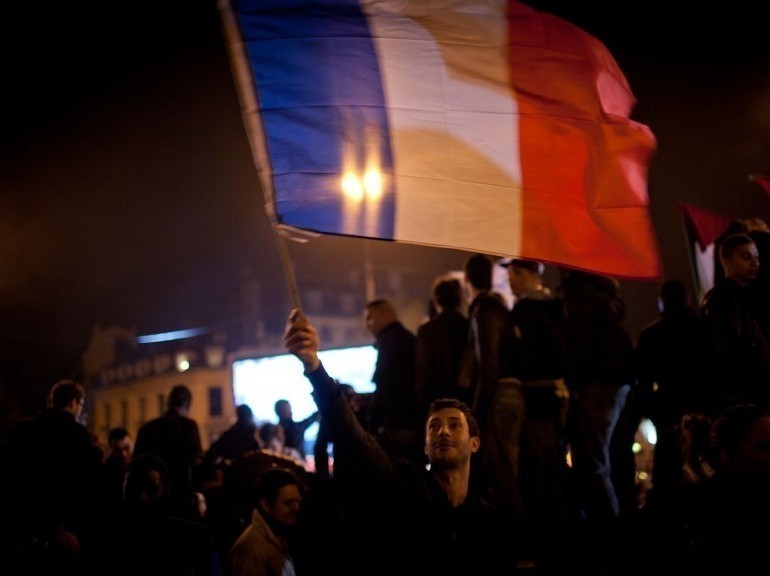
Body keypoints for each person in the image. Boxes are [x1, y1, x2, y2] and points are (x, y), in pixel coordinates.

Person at [283, 308, 512, 574]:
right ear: (425, 447)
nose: (443, 432)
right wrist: (314, 368)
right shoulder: (405, 486)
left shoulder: (490, 521)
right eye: (434, 426)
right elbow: (355, 439)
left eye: (454, 425)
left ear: (474, 443)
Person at [4, 379, 104, 575]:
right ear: (74, 403)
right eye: (80, 404)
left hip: (24, 528)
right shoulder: (78, 435)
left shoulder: (26, 430)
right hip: (66, 531)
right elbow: (87, 487)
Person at [702, 232, 770, 409]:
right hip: (745, 390)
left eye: (756, 256)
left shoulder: (751, 295)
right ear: (727, 261)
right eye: (746, 257)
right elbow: (732, 346)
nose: (755, 263)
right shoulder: (722, 300)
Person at [363, 298, 422, 464]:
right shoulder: (408, 338)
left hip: (396, 427)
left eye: (370, 318)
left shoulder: (390, 343)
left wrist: (371, 428)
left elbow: (384, 386)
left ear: (386, 315)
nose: (366, 325)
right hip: (412, 423)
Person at [133, 384, 204, 519]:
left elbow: (137, 463)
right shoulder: (189, 426)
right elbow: (196, 461)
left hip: (151, 499)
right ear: (187, 404)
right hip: (181, 495)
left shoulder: (147, 428)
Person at [226, 466, 306, 576]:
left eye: (297, 501)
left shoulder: (281, 536)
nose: (296, 508)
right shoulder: (251, 549)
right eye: (288, 503)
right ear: (266, 505)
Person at [415, 274, 470, 411]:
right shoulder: (468, 326)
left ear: (436, 300)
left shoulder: (427, 330)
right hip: (465, 398)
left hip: (436, 399)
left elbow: (423, 372)